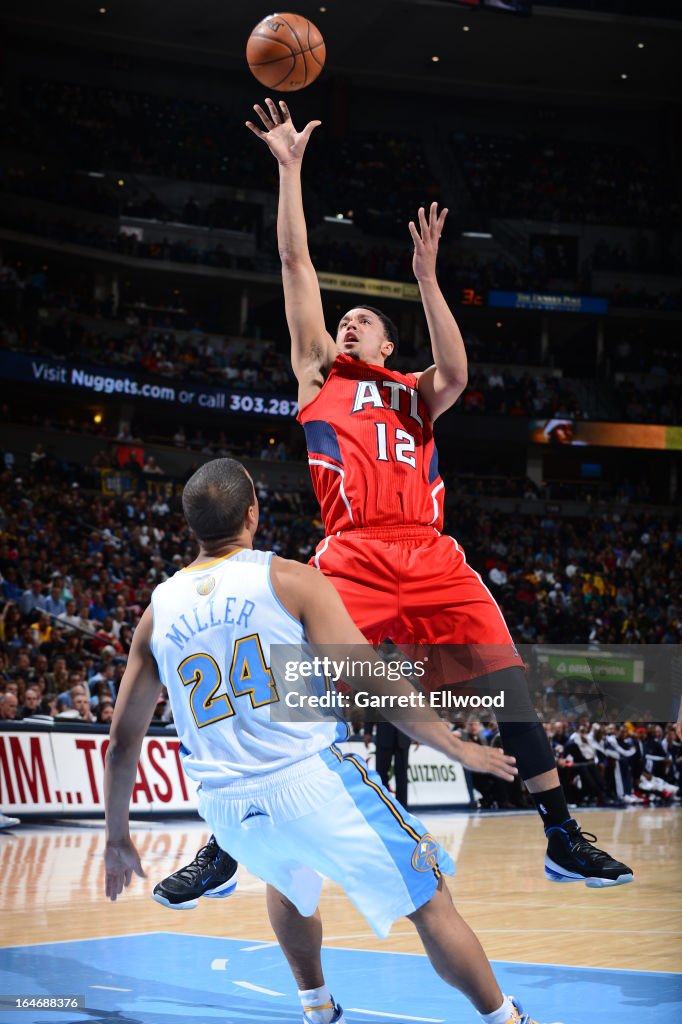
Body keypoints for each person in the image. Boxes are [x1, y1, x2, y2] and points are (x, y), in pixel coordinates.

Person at [158, 97, 631, 904]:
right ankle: (225, 846)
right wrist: (289, 169)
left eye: (364, 321)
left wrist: (425, 278)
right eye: (344, 320)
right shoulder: (319, 376)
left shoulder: (414, 393)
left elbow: (457, 374)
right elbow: (295, 267)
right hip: (355, 551)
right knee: (294, 692)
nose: (348, 325)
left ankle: (560, 831)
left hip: (432, 552)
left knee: (507, 681)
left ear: (387, 344)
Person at [104, 458, 561, 1024]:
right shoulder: (291, 579)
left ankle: (318, 1010)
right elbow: (376, 682)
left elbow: (122, 743)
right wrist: (456, 747)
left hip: (222, 804)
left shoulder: (157, 610)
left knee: (287, 879)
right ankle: (505, 1019)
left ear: (190, 524)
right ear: (253, 513)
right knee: (431, 898)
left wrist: (117, 837)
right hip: (309, 781)